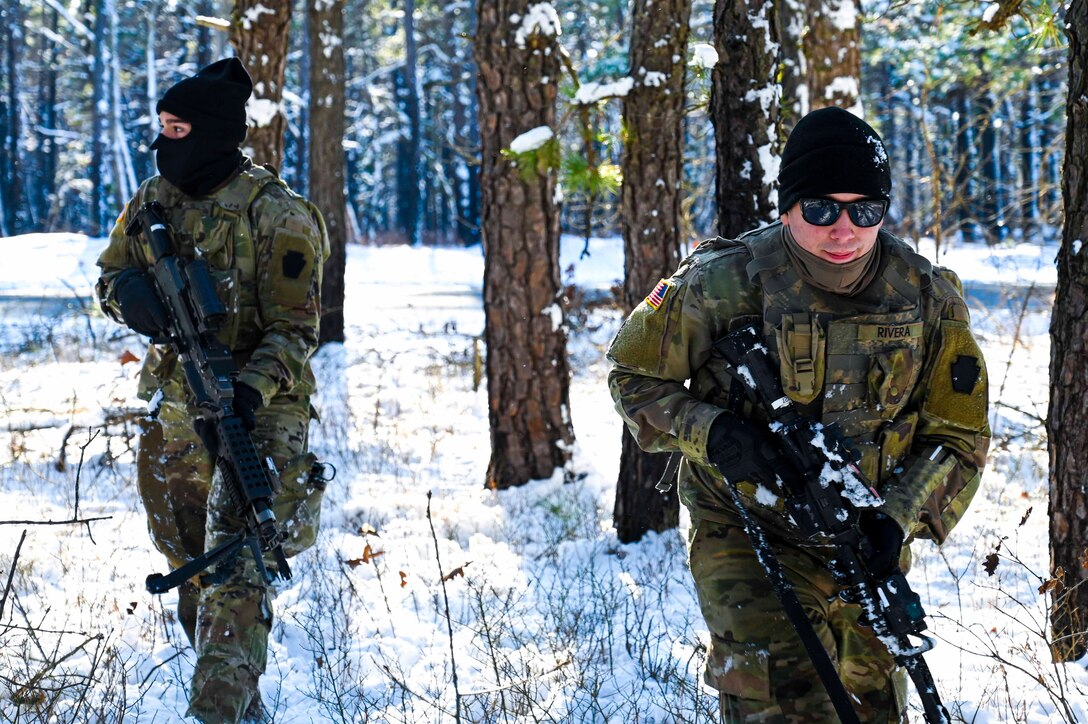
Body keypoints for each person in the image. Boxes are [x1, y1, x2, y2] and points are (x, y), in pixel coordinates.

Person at [608, 106, 990, 722]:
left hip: (864, 533)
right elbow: (633, 376)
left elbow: (958, 433)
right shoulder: (719, 282)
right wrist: (715, 435)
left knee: (871, 699)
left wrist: (897, 519)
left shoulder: (925, 295)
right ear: (788, 207)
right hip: (745, 520)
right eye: (820, 209)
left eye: (863, 210)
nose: (843, 229)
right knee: (785, 699)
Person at [96, 57, 329, 723]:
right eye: (161, 128)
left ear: (215, 133)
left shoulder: (278, 214)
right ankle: (237, 701)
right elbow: (110, 276)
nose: (164, 142)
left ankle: (218, 711)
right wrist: (132, 299)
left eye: (177, 128)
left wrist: (248, 394)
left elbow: (295, 329)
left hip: (261, 408)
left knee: (242, 562)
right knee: (190, 560)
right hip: (177, 403)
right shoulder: (152, 201)